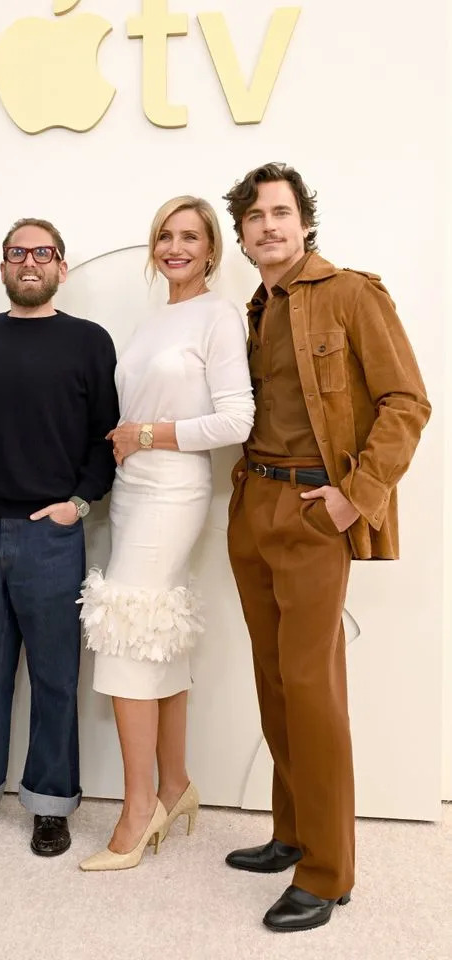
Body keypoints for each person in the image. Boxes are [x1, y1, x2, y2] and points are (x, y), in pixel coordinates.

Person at [222, 162, 431, 932]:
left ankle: (328, 871)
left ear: (304, 221)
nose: (268, 226)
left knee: (312, 687)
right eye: (255, 217)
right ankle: (292, 832)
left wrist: (356, 495)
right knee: (275, 682)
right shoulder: (253, 310)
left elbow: (407, 402)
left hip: (315, 510)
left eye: (280, 212)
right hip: (254, 502)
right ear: (242, 236)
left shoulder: (350, 294)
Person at [0, 218, 118, 857]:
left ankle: (51, 804)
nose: (29, 262)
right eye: (17, 253)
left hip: (51, 534)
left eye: (42, 252)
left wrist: (78, 504)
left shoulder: (89, 341)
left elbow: (105, 435)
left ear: (61, 266)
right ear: (3, 266)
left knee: (56, 675)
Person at [77, 196, 254, 871]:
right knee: (157, 632)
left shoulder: (218, 316)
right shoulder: (153, 321)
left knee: (125, 629)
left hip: (174, 489)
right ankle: (175, 786)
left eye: (190, 237)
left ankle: (138, 809)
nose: (175, 247)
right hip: (133, 490)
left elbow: (236, 420)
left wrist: (148, 434)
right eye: (165, 236)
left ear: (211, 250)